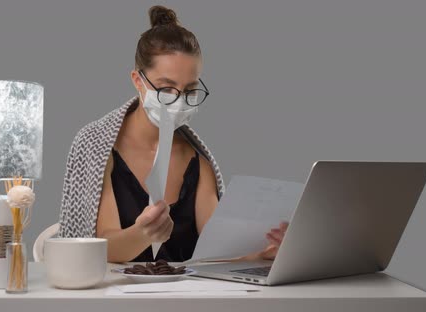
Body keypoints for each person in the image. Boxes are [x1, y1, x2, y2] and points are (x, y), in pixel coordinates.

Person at [57, 5, 287, 263]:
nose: (179, 101)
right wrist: (142, 234)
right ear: (137, 80)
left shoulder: (198, 162)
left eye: (189, 90)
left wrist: (261, 255)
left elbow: (214, 254)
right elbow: (97, 247)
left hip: (188, 299)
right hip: (116, 298)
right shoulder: (96, 147)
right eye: (166, 88)